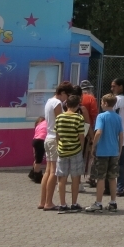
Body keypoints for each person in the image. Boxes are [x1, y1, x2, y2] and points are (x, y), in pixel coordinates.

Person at [39, 81, 74, 210]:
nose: (67, 99)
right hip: (55, 138)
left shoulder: (49, 101)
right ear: (63, 92)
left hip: (48, 137)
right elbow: (61, 122)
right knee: (53, 172)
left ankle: (43, 201)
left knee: (48, 171)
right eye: (67, 95)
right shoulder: (57, 103)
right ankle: (48, 203)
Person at [86, 94, 122, 212]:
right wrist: (120, 149)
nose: (101, 104)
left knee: (100, 178)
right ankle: (113, 202)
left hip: (102, 151)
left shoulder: (101, 116)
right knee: (112, 178)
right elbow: (121, 135)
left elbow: (99, 132)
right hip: (114, 151)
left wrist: (93, 145)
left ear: (105, 103)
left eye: (101, 102)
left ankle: (98, 202)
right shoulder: (118, 117)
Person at [55, 94, 86, 213]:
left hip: (62, 150)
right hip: (75, 151)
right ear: (78, 106)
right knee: (75, 178)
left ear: (66, 104)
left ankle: (62, 204)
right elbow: (81, 136)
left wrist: (58, 146)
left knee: (61, 178)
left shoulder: (59, 117)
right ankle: (74, 203)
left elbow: (57, 135)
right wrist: (81, 148)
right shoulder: (79, 118)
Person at [29, 116, 46, 184]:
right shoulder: (48, 123)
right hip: (41, 141)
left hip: (35, 141)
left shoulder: (38, 126)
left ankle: (33, 173)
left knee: (37, 159)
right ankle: (37, 177)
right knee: (39, 161)